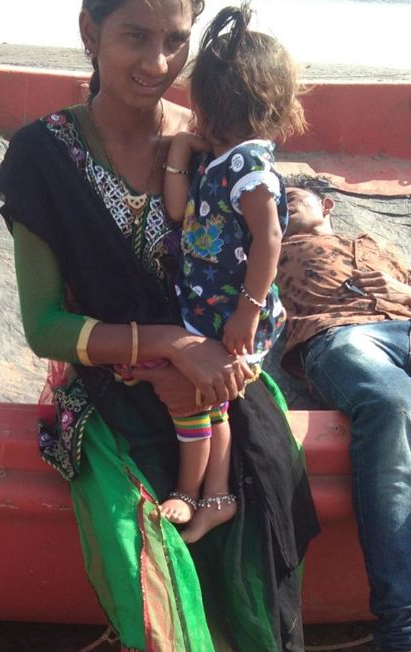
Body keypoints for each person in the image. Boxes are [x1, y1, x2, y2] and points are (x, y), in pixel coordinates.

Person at [0, 2, 320, 652]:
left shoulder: (210, 138)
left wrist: (232, 352)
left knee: (259, 621)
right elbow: (44, 327)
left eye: (176, 40)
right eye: (135, 35)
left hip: (225, 403)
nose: (158, 61)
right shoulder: (44, 156)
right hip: (114, 404)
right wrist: (170, 342)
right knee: (157, 624)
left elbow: (256, 260)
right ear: (89, 33)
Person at [157, 3, 305, 543]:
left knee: (202, 404)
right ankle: (214, 497)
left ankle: (192, 491)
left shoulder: (248, 165)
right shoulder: (222, 159)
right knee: (211, 406)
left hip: (233, 315)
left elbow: (269, 238)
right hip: (209, 309)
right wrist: (181, 148)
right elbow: (178, 210)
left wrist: (248, 310)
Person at [277, 175, 411, 652]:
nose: (280, 207)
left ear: (327, 205)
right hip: (342, 335)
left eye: (292, 199)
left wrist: (402, 292)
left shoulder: (380, 248)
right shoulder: (266, 250)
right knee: (389, 405)